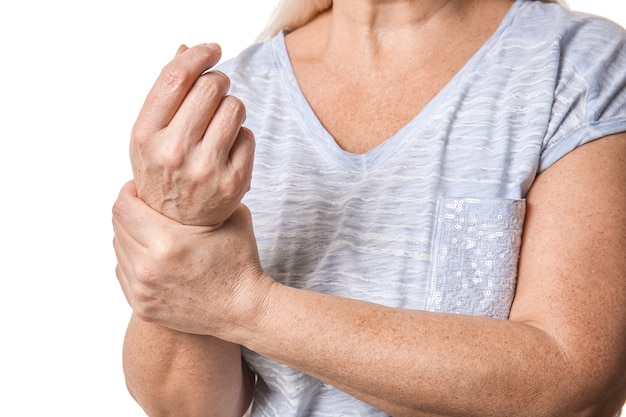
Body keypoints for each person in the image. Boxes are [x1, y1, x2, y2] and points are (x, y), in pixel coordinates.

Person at [112, 0, 626, 415]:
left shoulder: (577, 66)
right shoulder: (233, 101)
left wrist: (245, 304)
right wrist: (181, 221)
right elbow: (187, 409)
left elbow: (573, 386)